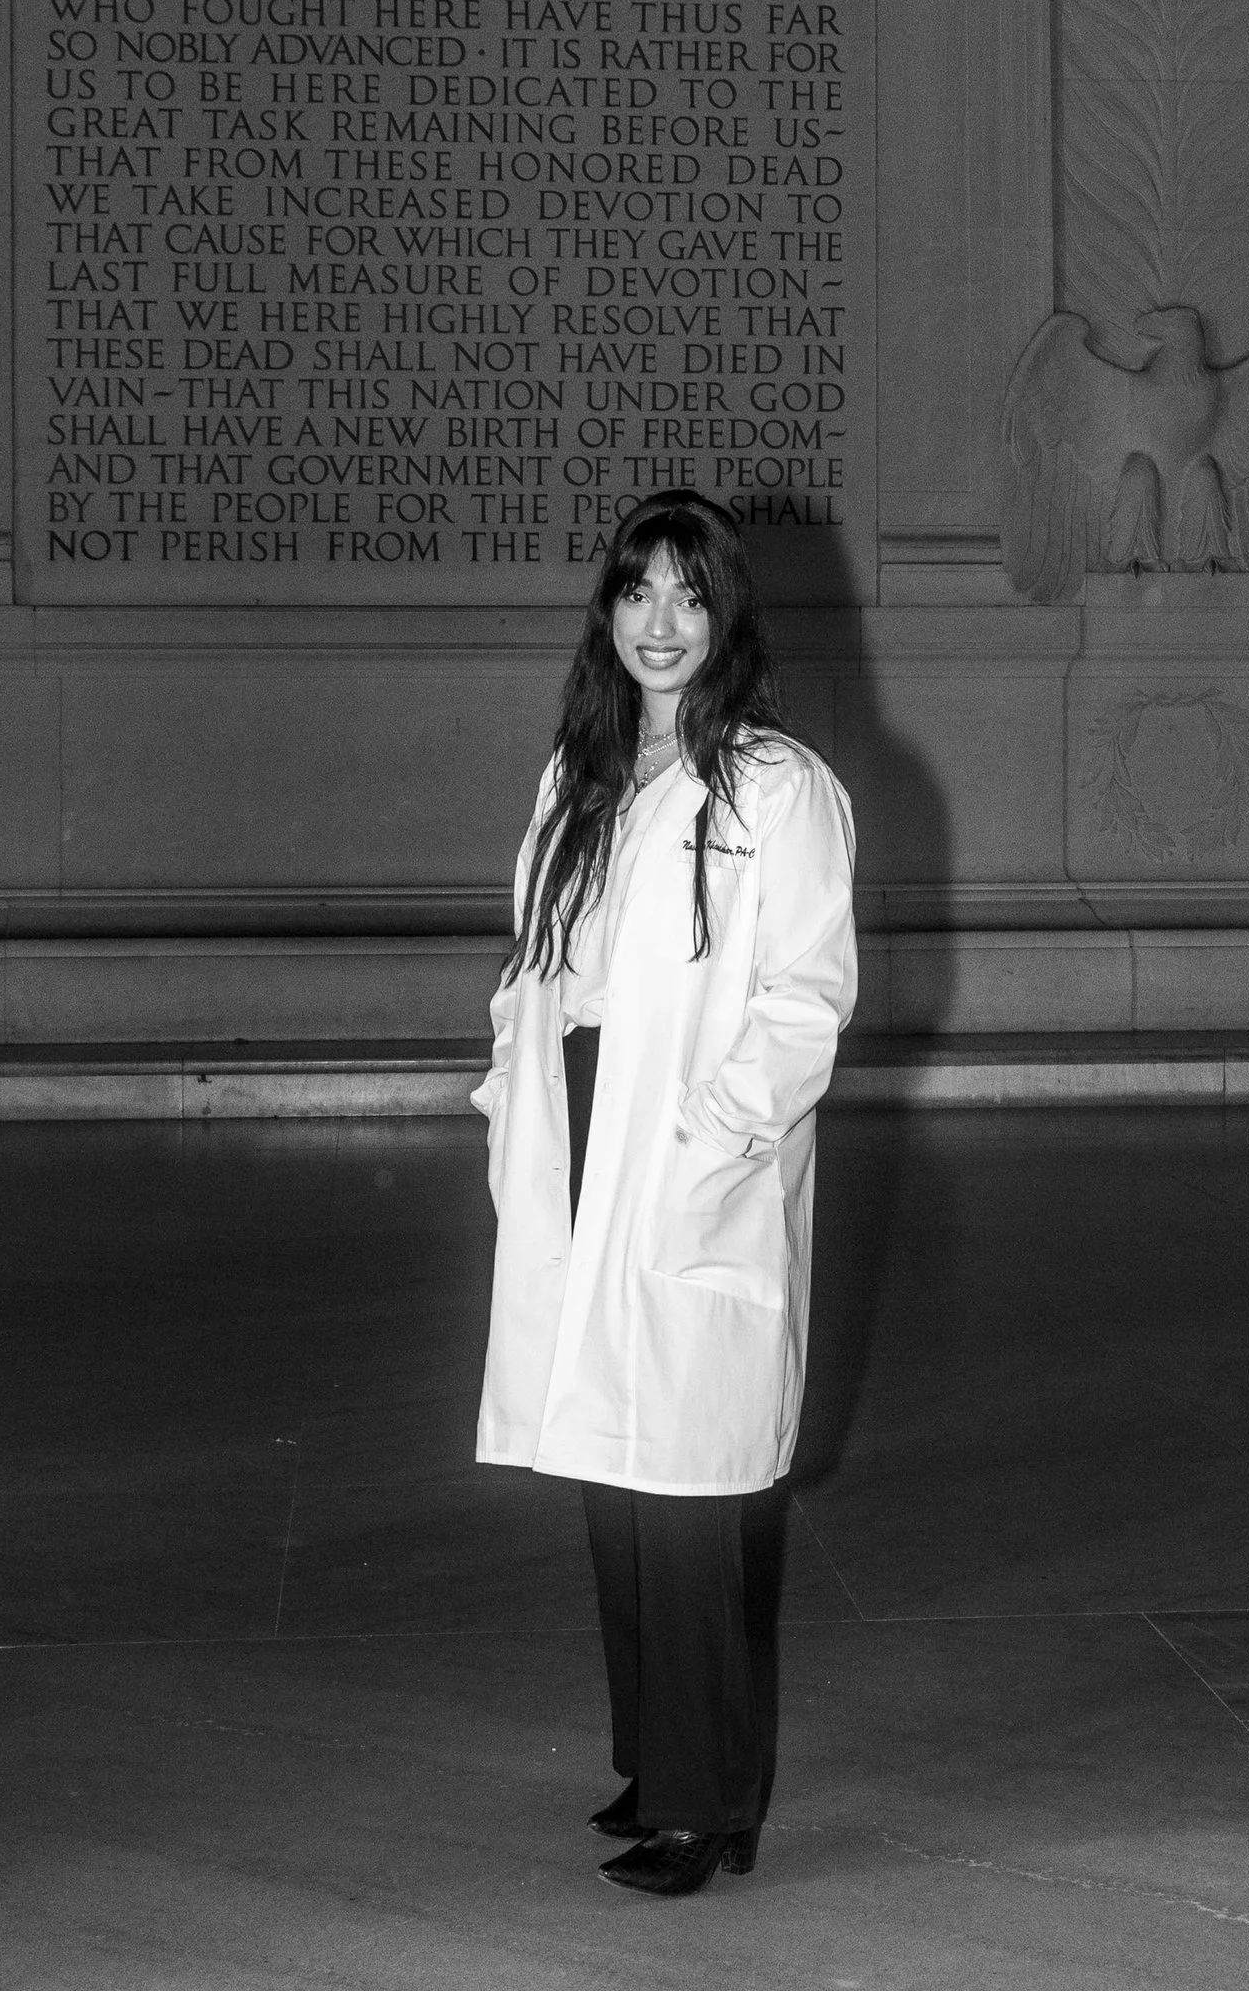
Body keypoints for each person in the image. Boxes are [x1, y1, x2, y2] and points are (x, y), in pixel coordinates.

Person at [472, 490, 858, 1898]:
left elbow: (807, 1002)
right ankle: (654, 1760)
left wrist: (712, 1141)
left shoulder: (780, 788)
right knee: (614, 1481)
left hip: (689, 1159)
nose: (662, 622)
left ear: (727, 618)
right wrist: (510, 1104)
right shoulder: (577, 777)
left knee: (688, 1492)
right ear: (609, 613)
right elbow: (536, 967)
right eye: (639, 592)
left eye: (691, 596)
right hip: (582, 1144)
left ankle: (711, 1807)